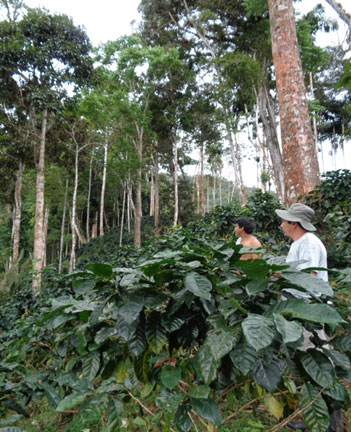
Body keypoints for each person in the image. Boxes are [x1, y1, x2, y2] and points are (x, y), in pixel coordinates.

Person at [275, 203, 327, 281]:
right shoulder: (300, 241)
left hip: (305, 294)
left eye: (283, 221)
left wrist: (277, 274)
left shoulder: (308, 243)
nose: (281, 225)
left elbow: (308, 276)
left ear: (293, 223)